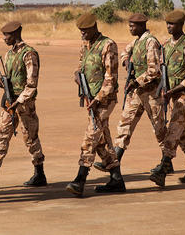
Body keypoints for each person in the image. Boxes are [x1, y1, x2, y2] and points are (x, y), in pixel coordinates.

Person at [0, 21, 46, 189]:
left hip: (24, 104)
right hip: (9, 102)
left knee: (30, 137)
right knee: (2, 134)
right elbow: (8, 78)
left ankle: (39, 173)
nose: (4, 38)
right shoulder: (8, 55)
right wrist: (1, 81)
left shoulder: (28, 54)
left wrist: (20, 100)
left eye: (7, 35)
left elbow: (32, 83)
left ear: (16, 34)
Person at [94, 13, 165, 172]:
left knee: (159, 129)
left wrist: (136, 81)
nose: (130, 28)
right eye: (129, 25)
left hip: (151, 92)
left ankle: (167, 161)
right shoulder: (136, 42)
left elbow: (154, 71)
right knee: (125, 125)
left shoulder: (150, 42)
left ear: (141, 26)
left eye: (133, 25)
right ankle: (114, 161)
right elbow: (125, 52)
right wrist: (126, 60)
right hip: (137, 93)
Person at [66, 13, 125, 197]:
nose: (82, 33)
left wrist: (98, 98)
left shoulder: (108, 45)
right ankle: (116, 179)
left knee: (90, 137)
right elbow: (80, 67)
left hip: (104, 100)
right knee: (101, 141)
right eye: (80, 30)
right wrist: (77, 75)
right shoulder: (86, 46)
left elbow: (111, 78)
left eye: (85, 30)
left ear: (94, 27)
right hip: (90, 99)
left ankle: (80, 179)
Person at [149, 10, 185, 187]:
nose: (169, 27)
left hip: (183, 94)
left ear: (181, 25)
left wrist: (174, 91)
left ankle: (164, 167)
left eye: (172, 24)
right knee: (182, 130)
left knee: (174, 128)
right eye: (167, 24)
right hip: (169, 94)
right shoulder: (165, 45)